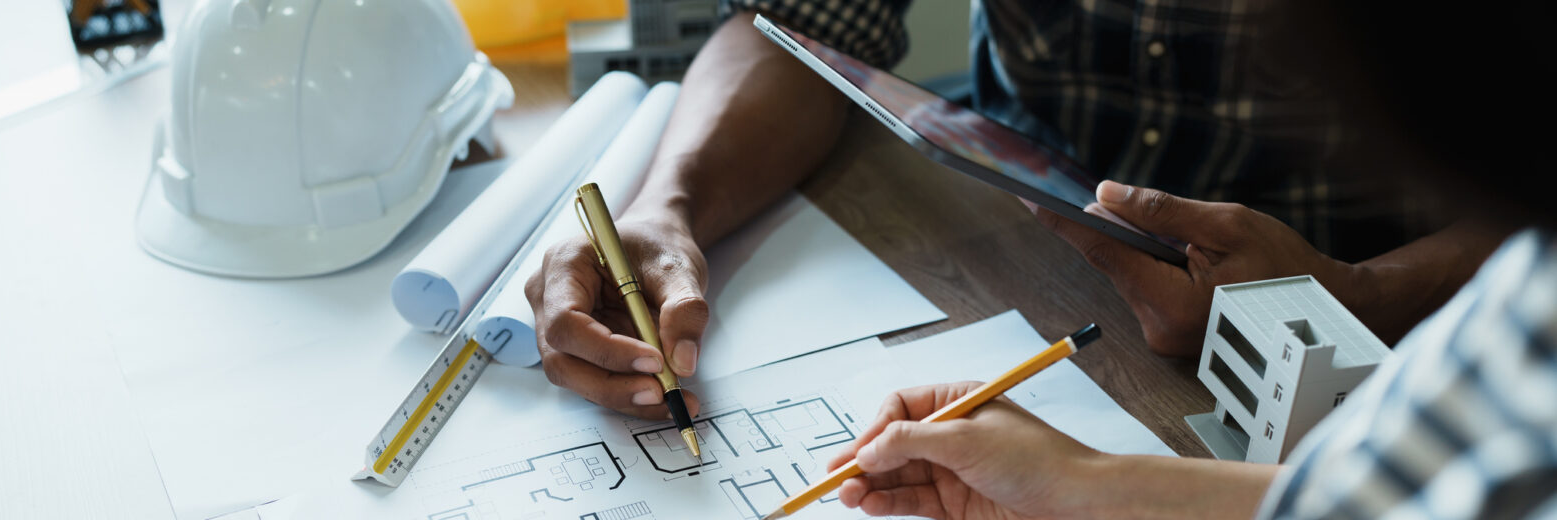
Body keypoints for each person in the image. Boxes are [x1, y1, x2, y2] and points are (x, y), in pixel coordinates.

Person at [523, 0, 1506, 419]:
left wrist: (1364, 295)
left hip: (1424, 317)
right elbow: (805, 25)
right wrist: (669, 205)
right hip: (1003, 251)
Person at [829, 1, 1557, 517]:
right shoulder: (1516, 322)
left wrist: (1361, 291)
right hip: (1020, 246)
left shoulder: (1525, 304)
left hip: (1368, 307)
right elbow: (1361, 495)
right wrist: (1087, 485)